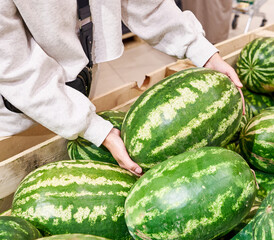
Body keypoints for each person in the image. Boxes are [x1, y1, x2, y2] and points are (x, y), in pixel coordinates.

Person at [0, 0, 242, 176]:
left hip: (77, 83)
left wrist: (201, 51)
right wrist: (92, 128)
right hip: (18, 110)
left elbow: (144, 3)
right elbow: (14, 69)